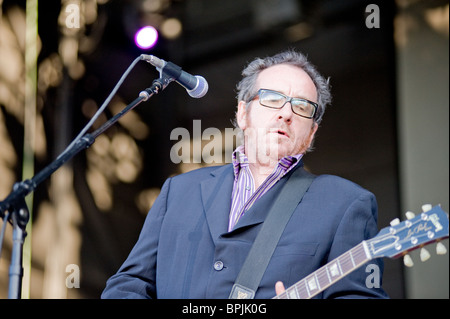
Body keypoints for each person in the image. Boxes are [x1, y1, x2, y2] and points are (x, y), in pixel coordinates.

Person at [101, 49, 388, 299]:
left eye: (301, 106)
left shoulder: (346, 204)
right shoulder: (178, 191)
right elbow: (129, 284)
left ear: (311, 132)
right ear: (242, 113)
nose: (286, 113)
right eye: (273, 99)